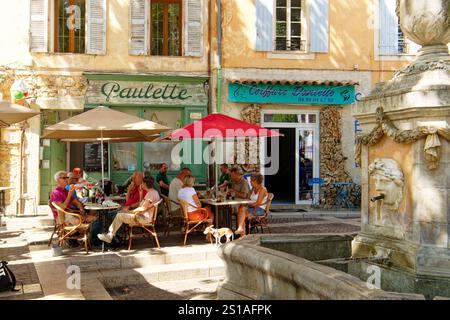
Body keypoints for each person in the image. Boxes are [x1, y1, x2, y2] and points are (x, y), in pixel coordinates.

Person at [97, 176, 161, 244]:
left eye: (142, 183)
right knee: (120, 212)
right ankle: (113, 236)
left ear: (144, 184)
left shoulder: (150, 194)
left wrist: (131, 212)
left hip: (143, 218)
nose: (141, 184)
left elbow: (143, 208)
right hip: (143, 216)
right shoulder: (153, 192)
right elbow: (142, 205)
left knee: (119, 215)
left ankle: (110, 236)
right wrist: (140, 193)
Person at [177, 175, 213, 242]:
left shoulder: (180, 191)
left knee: (206, 209)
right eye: (193, 181)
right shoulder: (191, 189)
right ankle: (208, 236)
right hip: (194, 216)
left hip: (186, 215)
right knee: (210, 211)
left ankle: (199, 228)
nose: (194, 183)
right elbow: (199, 205)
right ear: (190, 182)